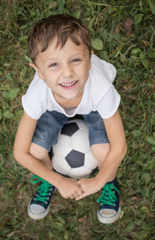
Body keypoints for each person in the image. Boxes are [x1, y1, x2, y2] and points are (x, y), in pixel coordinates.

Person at [14, 14, 127, 224]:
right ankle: (46, 181)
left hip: (92, 106)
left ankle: (110, 184)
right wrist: (57, 180)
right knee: (36, 151)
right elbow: (20, 152)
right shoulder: (38, 95)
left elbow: (119, 146)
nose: (67, 73)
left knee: (104, 151)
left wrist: (98, 181)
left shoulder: (101, 90)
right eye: (53, 65)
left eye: (75, 60)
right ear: (38, 71)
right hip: (53, 107)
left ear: (90, 60)